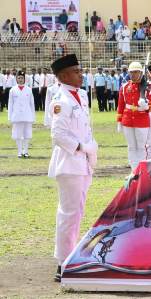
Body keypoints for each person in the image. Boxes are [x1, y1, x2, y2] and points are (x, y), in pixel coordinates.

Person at [48, 54, 98, 282]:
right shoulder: (61, 100)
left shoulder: (82, 96)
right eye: (76, 71)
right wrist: (82, 147)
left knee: (77, 212)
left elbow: (84, 127)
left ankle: (70, 258)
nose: (81, 74)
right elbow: (58, 134)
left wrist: (90, 150)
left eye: (80, 70)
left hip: (82, 162)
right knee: (68, 213)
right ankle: (63, 262)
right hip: (69, 163)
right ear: (63, 76)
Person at [116, 61, 151, 170]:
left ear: (141, 73)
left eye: (136, 72)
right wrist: (119, 121)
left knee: (141, 147)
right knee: (131, 147)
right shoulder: (124, 87)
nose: (133, 74)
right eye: (131, 72)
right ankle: (134, 170)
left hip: (141, 120)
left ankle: (141, 170)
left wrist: (146, 107)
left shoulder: (148, 87)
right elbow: (121, 105)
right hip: (127, 120)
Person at [8, 71, 35, 158]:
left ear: (24, 79)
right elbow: (10, 104)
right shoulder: (12, 90)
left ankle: (26, 151)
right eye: (19, 78)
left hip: (27, 115)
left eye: (22, 78)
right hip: (16, 116)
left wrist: (33, 116)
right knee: (17, 135)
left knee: (27, 134)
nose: (20, 80)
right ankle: (19, 151)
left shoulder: (29, 89)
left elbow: (32, 104)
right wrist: (10, 117)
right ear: (16, 79)